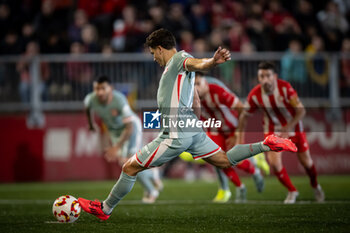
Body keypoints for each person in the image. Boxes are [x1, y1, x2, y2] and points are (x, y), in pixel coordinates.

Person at [78, 28, 297, 220]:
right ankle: (267, 144)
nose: (154, 58)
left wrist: (211, 62)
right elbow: (195, 99)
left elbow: (196, 63)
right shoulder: (182, 72)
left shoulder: (178, 60)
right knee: (224, 160)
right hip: (192, 130)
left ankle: (105, 209)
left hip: (176, 134)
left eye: (153, 53)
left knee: (129, 167)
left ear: (161, 48)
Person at [236, 61, 325, 204]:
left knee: (307, 162)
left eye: (268, 75)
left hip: (294, 128)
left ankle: (315, 186)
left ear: (274, 76)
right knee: (274, 163)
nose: (265, 79)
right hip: (273, 131)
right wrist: (240, 140)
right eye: (261, 76)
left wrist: (288, 127)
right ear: (258, 78)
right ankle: (292, 191)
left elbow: (301, 110)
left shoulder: (285, 88)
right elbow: (244, 116)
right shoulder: (255, 95)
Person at [84, 75, 163, 203]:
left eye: (103, 88)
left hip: (131, 129)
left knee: (131, 162)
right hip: (115, 132)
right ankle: (152, 174)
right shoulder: (91, 99)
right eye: (97, 89)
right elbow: (88, 108)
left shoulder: (119, 100)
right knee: (126, 164)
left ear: (110, 89)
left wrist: (116, 147)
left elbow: (130, 127)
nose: (99, 92)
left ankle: (151, 191)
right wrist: (91, 124)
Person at [194, 72, 266, 203]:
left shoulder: (217, 91)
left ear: (205, 83)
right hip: (215, 131)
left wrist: (238, 135)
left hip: (232, 129)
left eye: (198, 84)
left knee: (236, 160)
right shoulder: (189, 97)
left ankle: (254, 170)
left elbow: (241, 109)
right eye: (193, 85)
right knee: (217, 160)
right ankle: (240, 187)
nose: (196, 88)